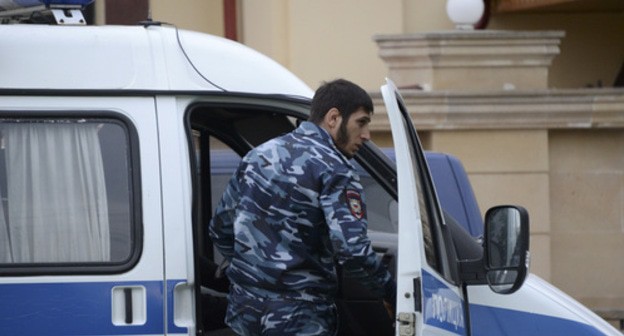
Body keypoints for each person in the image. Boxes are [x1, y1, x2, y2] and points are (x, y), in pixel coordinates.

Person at [209, 78, 396, 335]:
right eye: (361, 122)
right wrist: (391, 291)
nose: (366, 135)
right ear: (333, 118)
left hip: (246, 312)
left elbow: (220, 228)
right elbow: (353, 251)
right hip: (299, 318)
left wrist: (254, 272)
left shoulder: (259, 156)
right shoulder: (335, 168)